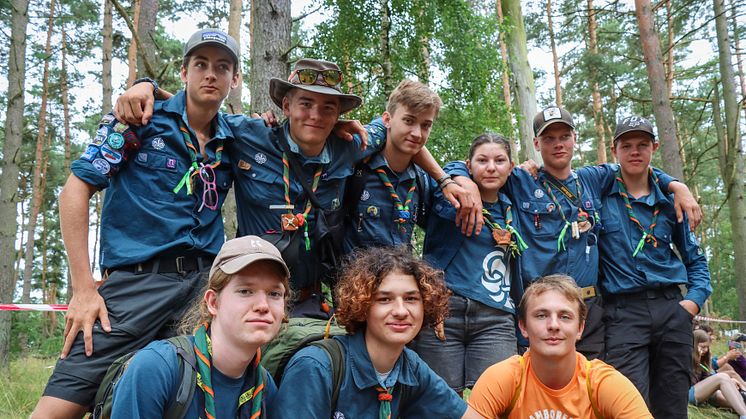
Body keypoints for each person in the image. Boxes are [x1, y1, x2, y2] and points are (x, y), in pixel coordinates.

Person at [115, 60, 473, 315]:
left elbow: (407, 136)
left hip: (311, 301)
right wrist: (146, 85)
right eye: (305, 103)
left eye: (327, 107)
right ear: (285, 105)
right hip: (254, 299)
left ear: (337, 115)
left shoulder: (352, 144)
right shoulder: (249, 134)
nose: (315, 115)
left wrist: (447, 178)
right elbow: (198, 109)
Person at [33, 28, 241, 419]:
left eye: (222, 67)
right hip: (136, 286)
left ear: (235, 79)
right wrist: (83, 290)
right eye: (200, 65)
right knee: (57, 410)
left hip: (203, 291)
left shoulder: (235, 139)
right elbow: (73, 193)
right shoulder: (138, 121)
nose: (210, 74)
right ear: (183, 73)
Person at [446, 106, 700, 359]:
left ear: (575, 139)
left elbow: (637, 164)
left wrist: (677, 186)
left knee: (588, 387)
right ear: (536, 143)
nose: (558, 145)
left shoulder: (593, 179)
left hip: (588, 309)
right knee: (540, 389)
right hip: (542, 307)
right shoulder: (519, 179)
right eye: (549, 139)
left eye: (564, 137)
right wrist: (465, 181)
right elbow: (467, 166)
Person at [270, 246, 483, 418]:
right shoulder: (316, 367)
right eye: (384, 299)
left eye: (411, 299)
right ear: (362, 307)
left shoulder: (409, 366)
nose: (401, 311)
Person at [598, 115, 712, 418]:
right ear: (615, 150)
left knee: (673, 405)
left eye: (643, 145)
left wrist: (691, 304)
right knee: (628, 404)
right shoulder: (600, 193)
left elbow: (696, 261)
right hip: (623, 313)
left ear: (655, 147)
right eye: (627, 145)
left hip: (671, 309)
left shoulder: (671, 203)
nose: (635, 152)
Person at [111, 235, 290, 418]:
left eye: (274, 294)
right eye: (245, 291)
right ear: (213, 302)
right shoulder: (156, 368)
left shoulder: (264, 388)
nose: (263, 305)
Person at [414, 133, 525, 393]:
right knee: (439, 400)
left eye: (499, 161)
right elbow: (438, 167)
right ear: (469, 165)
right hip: (443, 310)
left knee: (498, 400)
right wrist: (458, 176)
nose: (490, 167)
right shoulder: (446, 196)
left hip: (496, 318)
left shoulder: (517, 207)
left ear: (510, 167)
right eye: (482, 160)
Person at [468, 275, 651, 418]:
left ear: (580, 328)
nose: (553, 325)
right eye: (541, 315)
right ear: (523, 326)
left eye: (565, 316)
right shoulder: (503, 378)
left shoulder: (601, 383)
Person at [342, 79, 451, 253]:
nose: (417, 134)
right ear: (387, 119)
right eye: (409, 121)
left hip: (400, 277)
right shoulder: (356, 169)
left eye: (425, 125)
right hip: (353, 278)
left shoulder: (423, 180)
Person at [688, 330, 746, 418]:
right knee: (722, 377)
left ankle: (742, 408)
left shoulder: (702, 360)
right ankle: (744, 415)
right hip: (686, 393)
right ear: (694, 344)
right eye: (702, 347)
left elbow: (706, 377)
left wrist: (730, 381)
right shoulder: (686, 357)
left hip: (700, 391)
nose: (705, 350)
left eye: (707, 347)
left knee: (720, 393)